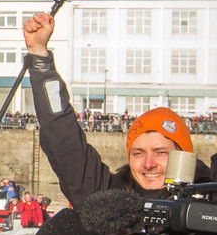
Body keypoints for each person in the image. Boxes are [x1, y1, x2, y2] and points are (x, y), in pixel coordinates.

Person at [23, 11, 211, 203]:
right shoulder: (109, 197)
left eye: (161, 152)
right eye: (138, 153)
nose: (148, 164)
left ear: (184, 155)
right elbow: (63, 139)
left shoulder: (210, 197)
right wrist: (39, 57)